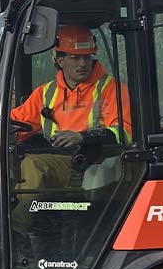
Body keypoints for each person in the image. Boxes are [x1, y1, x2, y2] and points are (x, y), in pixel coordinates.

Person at [8, 24, 131, 202]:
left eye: (87, 57)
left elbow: (124, 132)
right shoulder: (46, 93)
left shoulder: (111, 88)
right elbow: (16, 123)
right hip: (60, 161)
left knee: (33, 165)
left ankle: (15, 226)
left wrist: (82, 137)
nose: (83, 63)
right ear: (60, 61)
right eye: (75, 57)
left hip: (96, 164)